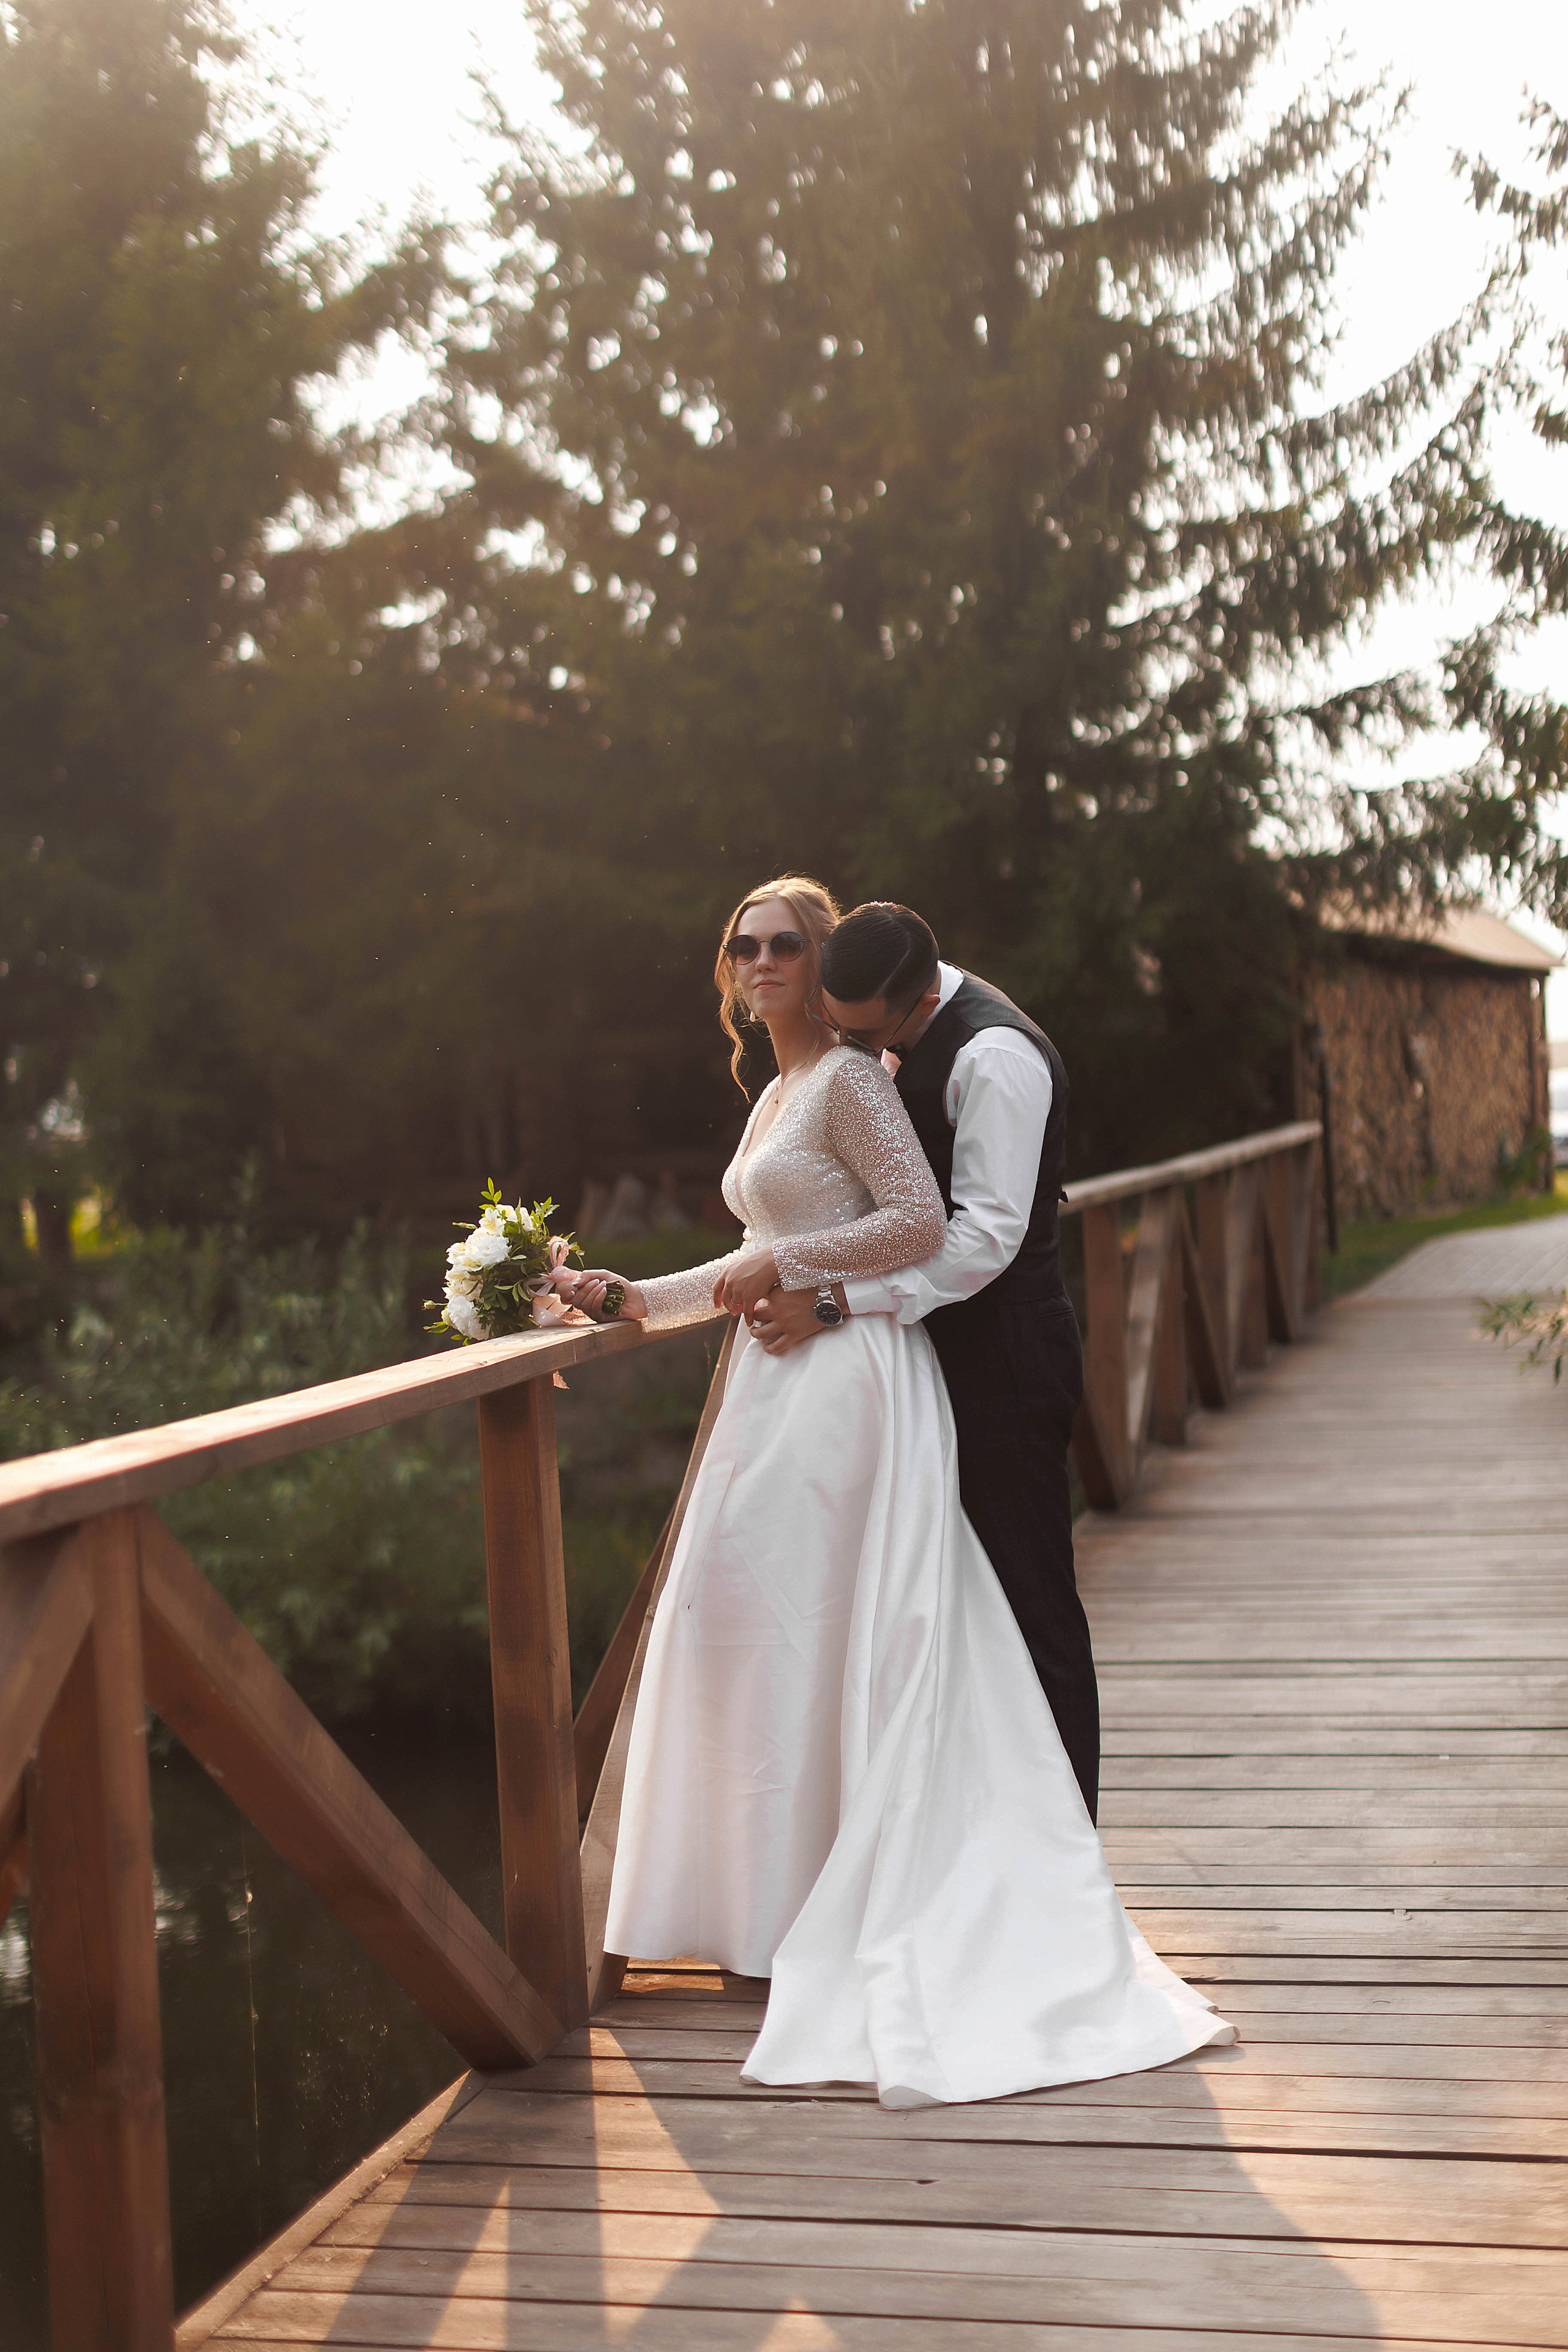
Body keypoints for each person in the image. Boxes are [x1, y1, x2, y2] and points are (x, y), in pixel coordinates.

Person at [557, 875, 1232, 2107]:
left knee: (989, 1617)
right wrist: (640, 1298)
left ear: (845, 977)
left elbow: (949, 1231)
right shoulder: (786, 1089)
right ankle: (771, 1902)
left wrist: (814, 1286)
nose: (765, 962)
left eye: (786, 945)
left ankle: (1041, 1874)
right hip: (806, 1370)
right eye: (744, 944)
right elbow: (765, 1251)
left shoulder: (941, 1066)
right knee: (777, 1628)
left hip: (915, 1368)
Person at [750, 903, 1100, 1823]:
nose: (854, 1051)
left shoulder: (994, 1057)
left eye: (868, 1037)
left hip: (1006, 1361)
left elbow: (985, 1240)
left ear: (917, 1004)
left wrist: (837, 1300)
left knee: (1028, 1606)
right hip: (920, 1365)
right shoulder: (887, 1021)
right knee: (941, 1610)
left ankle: (1066, 1842)